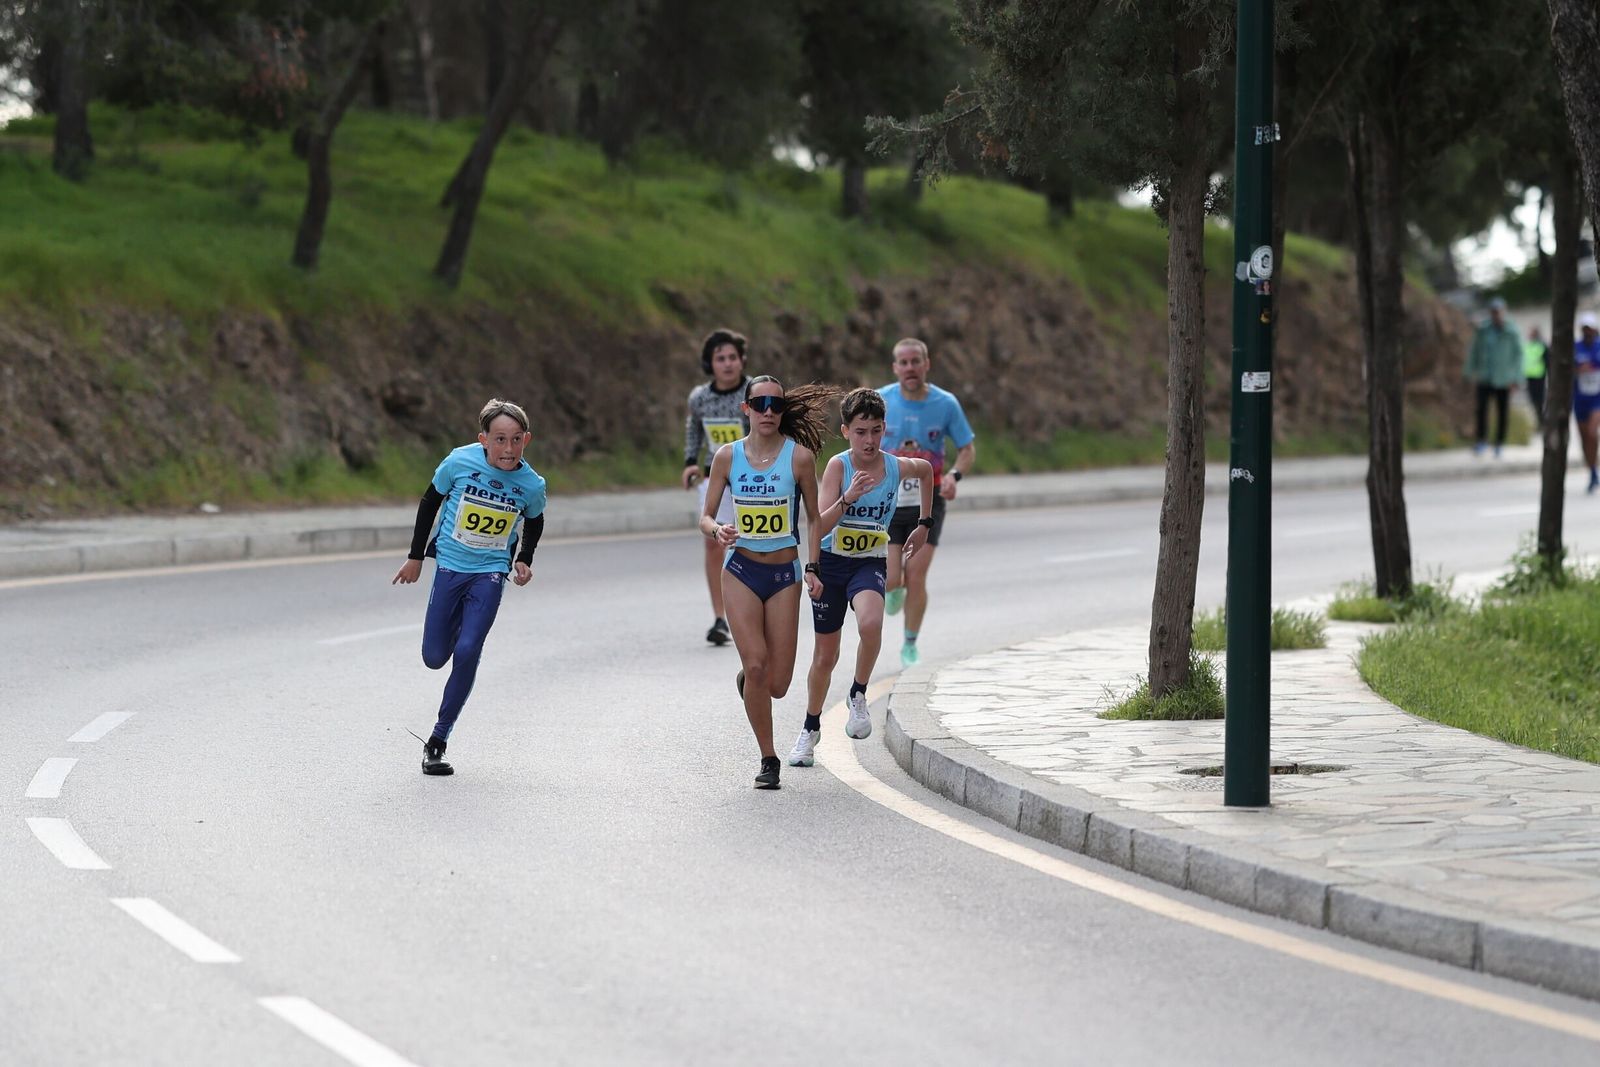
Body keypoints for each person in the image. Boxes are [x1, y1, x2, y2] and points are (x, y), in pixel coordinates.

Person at [393, 399, 547, 776]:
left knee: (467, 650)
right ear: (483, 439)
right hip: (449, 566)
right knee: (433, 657)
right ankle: (462, 630)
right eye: (499, 440)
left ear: (526, 440)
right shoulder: (458, 462)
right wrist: (416, 557)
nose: (508, 450)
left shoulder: (532, 484)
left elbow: (534, 519)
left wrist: (524, 557)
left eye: (515, 440)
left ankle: (438, 740)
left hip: (491, 572)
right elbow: (430, 502)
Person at [788, 388, 932, 767]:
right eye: (861, 432)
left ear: (885, 429)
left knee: (871, 622)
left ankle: (858, 692)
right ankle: (810, 727)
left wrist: (924, 523)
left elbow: (927, 470)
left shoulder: (895, 467)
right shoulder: (839, 467)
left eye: (876, 431)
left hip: (869, 562)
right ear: (846, 431)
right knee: (825, 656)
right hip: (832, 563)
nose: (869, 440)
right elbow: (819, 526)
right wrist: (847, 498)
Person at [699, 376, 830, 789]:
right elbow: (705, 516)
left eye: (776, 403)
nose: (769, 411)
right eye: (761, 403)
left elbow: (814, 517)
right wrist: (717, 530)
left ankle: (750, 683)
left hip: (784, 574)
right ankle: (768, 759)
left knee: (777, 684)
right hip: (740, 570)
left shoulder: (800, 459)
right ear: (747, 409)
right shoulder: (726, 457)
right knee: (756, 664)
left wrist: (812, 567)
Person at [879, 338, 976, 667]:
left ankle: (909, 644)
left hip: (929, 499)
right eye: (903, 363)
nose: (910, 368)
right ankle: (894, 588)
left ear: (926, 364)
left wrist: (953, 477)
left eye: (915, 361)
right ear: (895, 368)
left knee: (916, 574)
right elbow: (862, 440)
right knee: (893, 578)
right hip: (890, 501)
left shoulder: (945, 403)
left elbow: (967, 448)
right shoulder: (881, 400)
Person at [681, 329, 752, 646]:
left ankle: (750, 609)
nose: (727, 364)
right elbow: (693, 426)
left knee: (746, 543)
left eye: (732, 357)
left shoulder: (754, 392)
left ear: (741, 360)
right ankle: (720, 617)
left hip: (751, 479)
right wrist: (689, 461)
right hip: (714, 477)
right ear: (710, 363)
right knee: (713, 542)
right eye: (720, 358)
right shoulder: (700, 398)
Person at [1464, 296, 1523, 457]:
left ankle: (1499, 443)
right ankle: (1481, 441)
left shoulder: (1512, 331)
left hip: (1504, 379)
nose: (1496, 315)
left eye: (1498, 312)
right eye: (1493, 312)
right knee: (1481, 410)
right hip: (1485, 376)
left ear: (1503, 312)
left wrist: (1517, 378)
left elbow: (1519, 356)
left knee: (1502, 412)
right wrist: (1469, 372)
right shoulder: (1483, 330)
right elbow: (1474, 351)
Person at [1575, 312, 1600, 494]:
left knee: (1592, 433)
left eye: (1589, 328)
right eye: (1584, 329)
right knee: (1584, 439)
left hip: (1596, 399)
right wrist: (1578, 370)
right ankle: (1592, 471)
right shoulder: (1574, 348)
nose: (1587, 332)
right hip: (1580, 399)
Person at [1524, 325, 1549, 421]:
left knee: (1540, 400)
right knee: (1533, 400)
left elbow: (1547, 361)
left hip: (1540, 377)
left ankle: (1542, 420)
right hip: (1529, 377)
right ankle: (1540, 419)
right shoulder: (1527, 346)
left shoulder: (1542, 346)